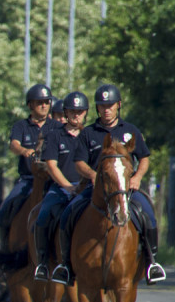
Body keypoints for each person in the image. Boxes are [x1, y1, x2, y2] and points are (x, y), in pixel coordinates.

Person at [51, 83, 165, 285]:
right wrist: (92, 175)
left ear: (118, 105)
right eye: (102, 106)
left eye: (110, 105)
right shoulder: (88, 133)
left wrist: (137, 177)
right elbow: (79, 162)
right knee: (68, 213)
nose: (106, 110)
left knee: (147, 214)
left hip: (126, 188)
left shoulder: (130, 131)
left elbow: (144, 158)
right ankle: (66, 266)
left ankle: (152, 263)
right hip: (95, 189)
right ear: (97, 108)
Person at [32, 91, 88, 281]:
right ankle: (42, 263)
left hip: (87, 188)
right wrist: (67, 186)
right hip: (61, 188)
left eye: (80, 112)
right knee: (43, 215)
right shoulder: (55, 135)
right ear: (66, 113)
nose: (76, 115)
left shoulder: (91, 135)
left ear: (86, 113)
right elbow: (51, 165)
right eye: (72, 111)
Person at [0, 84, 63, 247]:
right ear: (30, 105)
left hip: (53, 180)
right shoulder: (21, 126)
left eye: (47, 102)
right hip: (28, 179)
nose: (44, 106)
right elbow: (14, 144)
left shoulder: (57, 127)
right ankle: (4, 247)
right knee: (7, 206)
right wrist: (24, 150)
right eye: (39, 102)